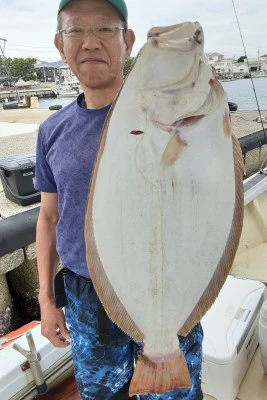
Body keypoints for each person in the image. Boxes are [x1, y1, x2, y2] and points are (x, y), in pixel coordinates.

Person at [35, 0, 204, 399]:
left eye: (105, 30)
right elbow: (48, 217)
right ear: (60, 45)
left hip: (166, 287)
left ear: (128, 41)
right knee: (101, 394)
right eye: (76, 30)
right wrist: (46, 300)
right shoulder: (51, 131)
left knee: (173, 392)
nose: (90, 41)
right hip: (86, 294)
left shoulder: (168, 118)